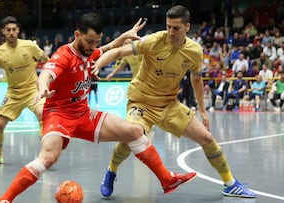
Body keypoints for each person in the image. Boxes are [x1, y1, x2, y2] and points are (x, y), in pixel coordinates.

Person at [0, 13, 197, 203]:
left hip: (83, 115)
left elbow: (107, 48)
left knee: (134, 131)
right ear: (77, 35)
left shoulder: (90, 51)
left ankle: (167, 180)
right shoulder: (63, 56)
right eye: (89, 41)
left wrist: (125, 36)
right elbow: (46, 74)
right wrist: (42, 89)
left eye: (96, 42)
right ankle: (5, 199)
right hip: (59, 115)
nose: (94, 47)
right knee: (48, 158)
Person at [92, 5, 256, 198]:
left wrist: (202, 110)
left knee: (207, 139)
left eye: (175, 28)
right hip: (141, 103)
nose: (170, 31)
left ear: (187, 27)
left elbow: (196, 78)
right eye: (168, 26)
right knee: (132, 137)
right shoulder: (154, 41)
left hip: (169, 104)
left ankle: (230, 184)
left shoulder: (194, 51)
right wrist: (96, 66)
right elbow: (118, 52)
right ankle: (111, 171)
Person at [0, 16, 49, 166]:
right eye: (8, 30)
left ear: (18, 31)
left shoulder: (29, 46)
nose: (11, 32)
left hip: (32, 90)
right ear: (3, 32)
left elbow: (47, 61)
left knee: (43, 114)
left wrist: (50, 79)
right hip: (13, 93)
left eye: (14, 30)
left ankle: (45, 156)